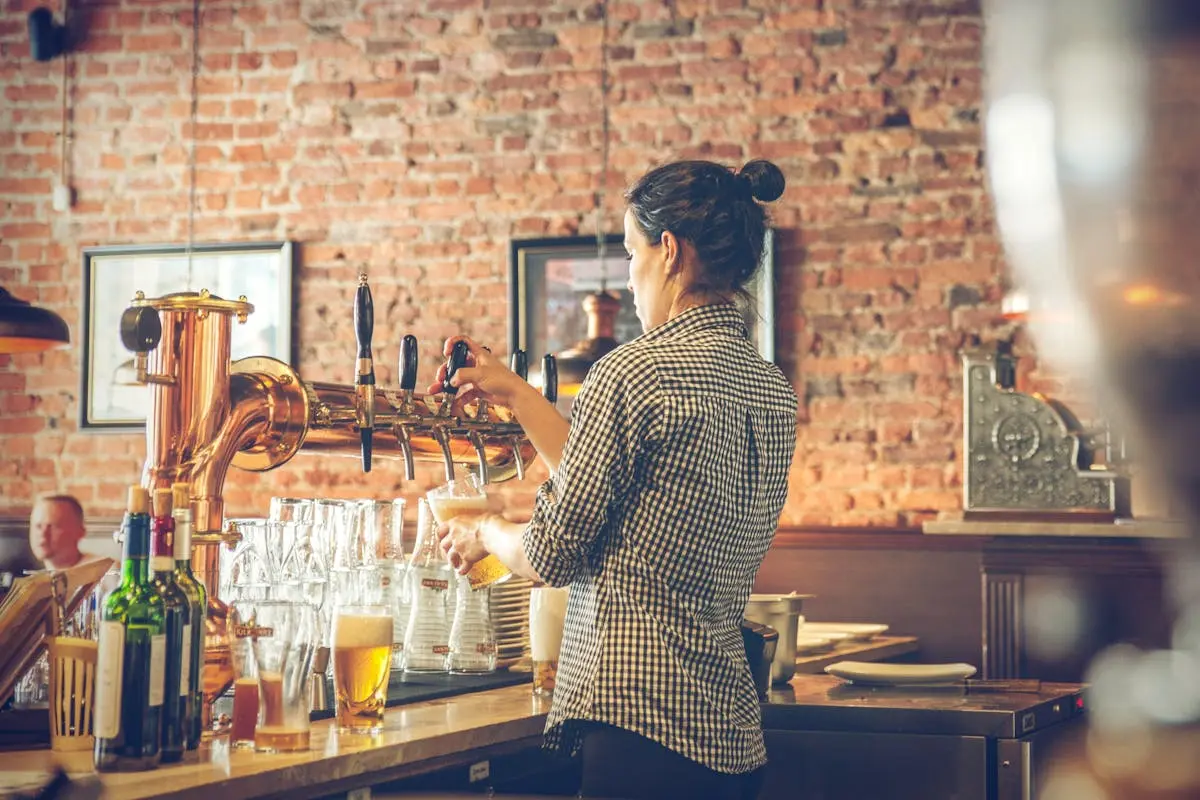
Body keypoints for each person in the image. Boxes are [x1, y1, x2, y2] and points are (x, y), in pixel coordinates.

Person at [432, 159, 797, 800]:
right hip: (729, 724)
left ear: (669, 251)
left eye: (631, 253)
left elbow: (552, 552)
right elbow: (616, 478)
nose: (628, 279)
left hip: (640, 723)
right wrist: (517, 395)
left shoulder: (632, 371)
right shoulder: (771, 388)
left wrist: (487, 528)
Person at [29, 494, 92, 570]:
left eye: (54, 526)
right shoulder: (26, 577)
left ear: (80, 532)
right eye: (38, 526)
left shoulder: (103, 576)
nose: (43, 534)